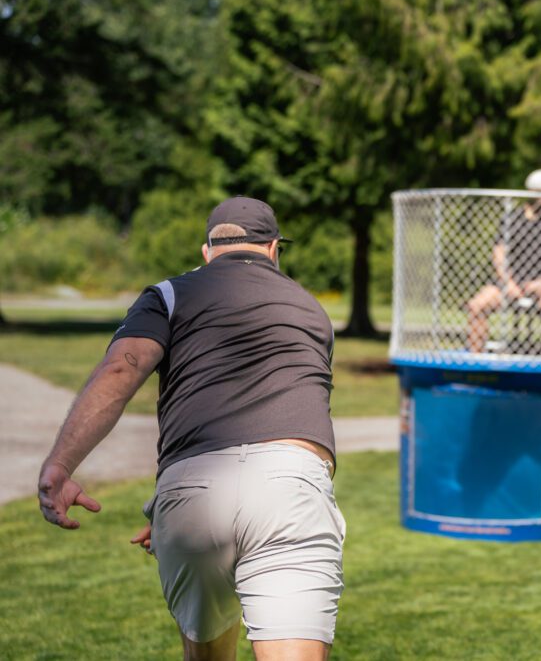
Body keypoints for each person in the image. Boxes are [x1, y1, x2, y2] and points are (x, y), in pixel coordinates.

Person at [37, 196, 345, 661]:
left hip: (191, 494)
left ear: (207, 251)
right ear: (274, 249)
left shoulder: (169, 293)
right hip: (292, 488)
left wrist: (61, 465)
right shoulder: (311, 311)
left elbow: (121, 370)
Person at [467, 169, 541, 356]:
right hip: (510, 284)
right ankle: (474, 362)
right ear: (533, 192)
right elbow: (499, 253)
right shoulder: (512, 219)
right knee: (477, 305)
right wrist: (508, 283)